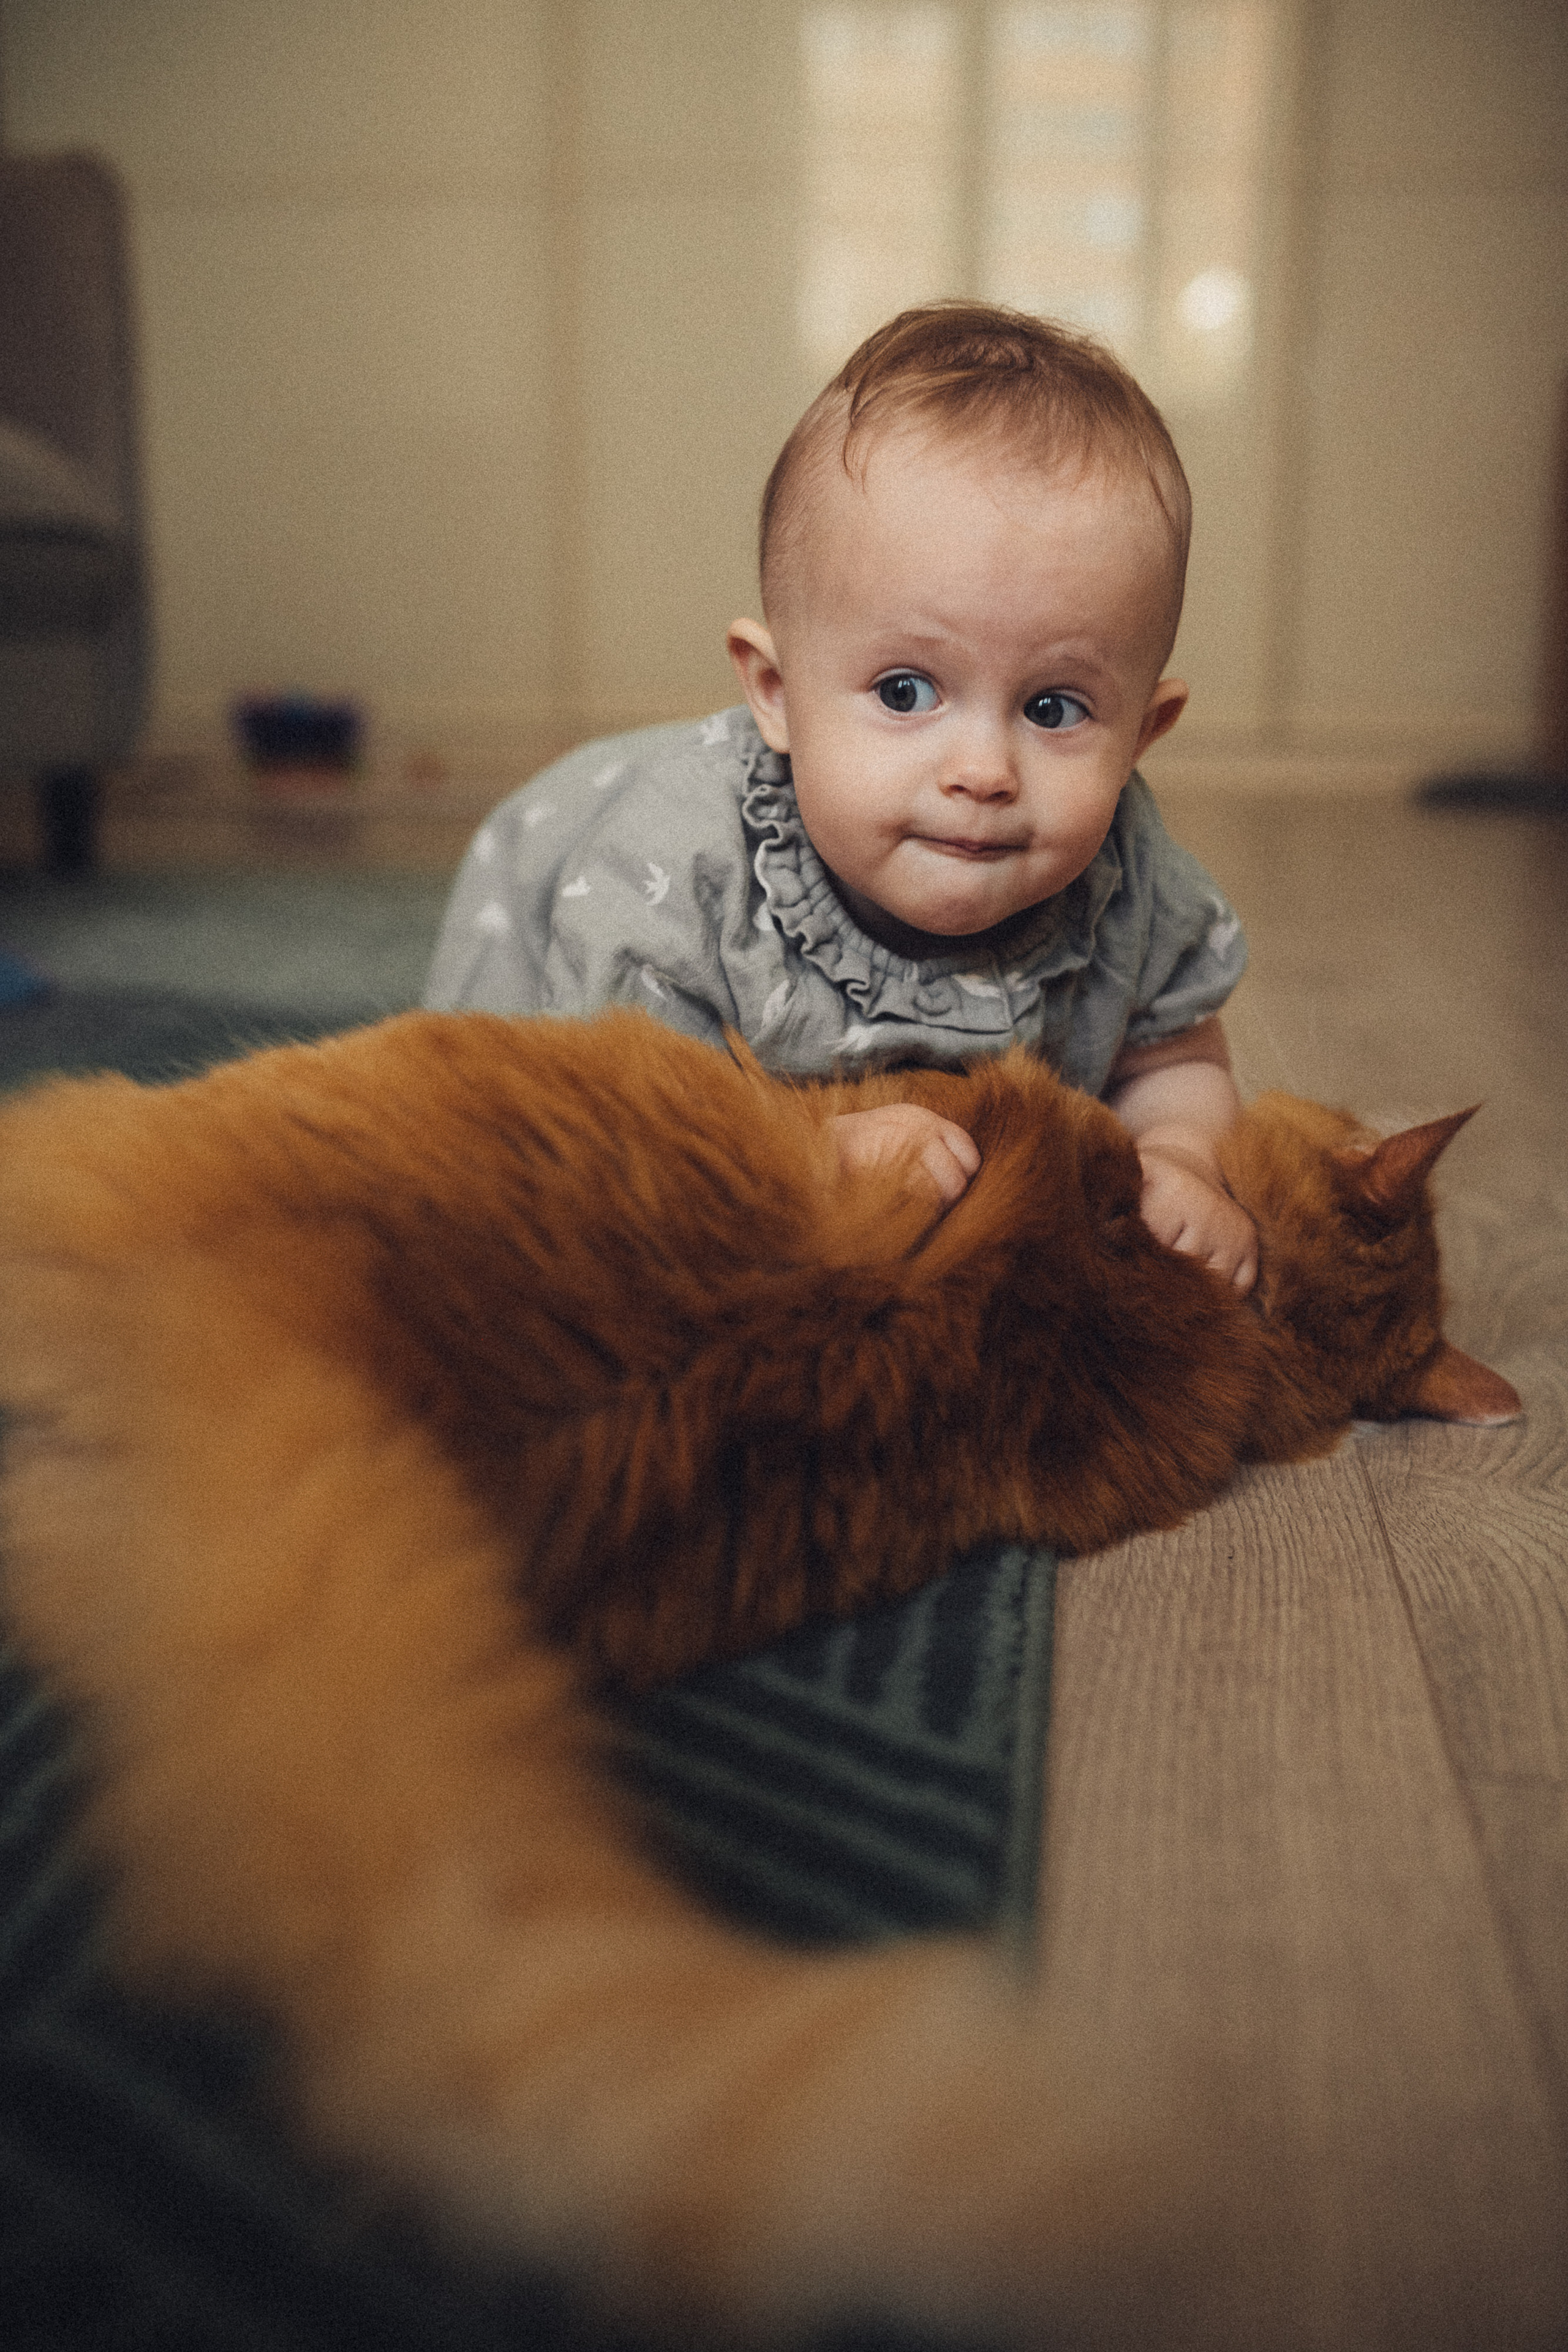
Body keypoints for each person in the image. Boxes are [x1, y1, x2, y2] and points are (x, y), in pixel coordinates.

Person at [424, 303, 1257, 1291]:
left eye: (1053, 708)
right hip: (547, 942)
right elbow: (626, 1115)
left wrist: (1179, 1155)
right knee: (486, 1182)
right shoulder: (672, 880)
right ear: (777, 694)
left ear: (1143, 737)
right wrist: (806, 1150)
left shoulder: (1134, 884)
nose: (983, 771)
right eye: (905, 692)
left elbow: (1174, 1061)